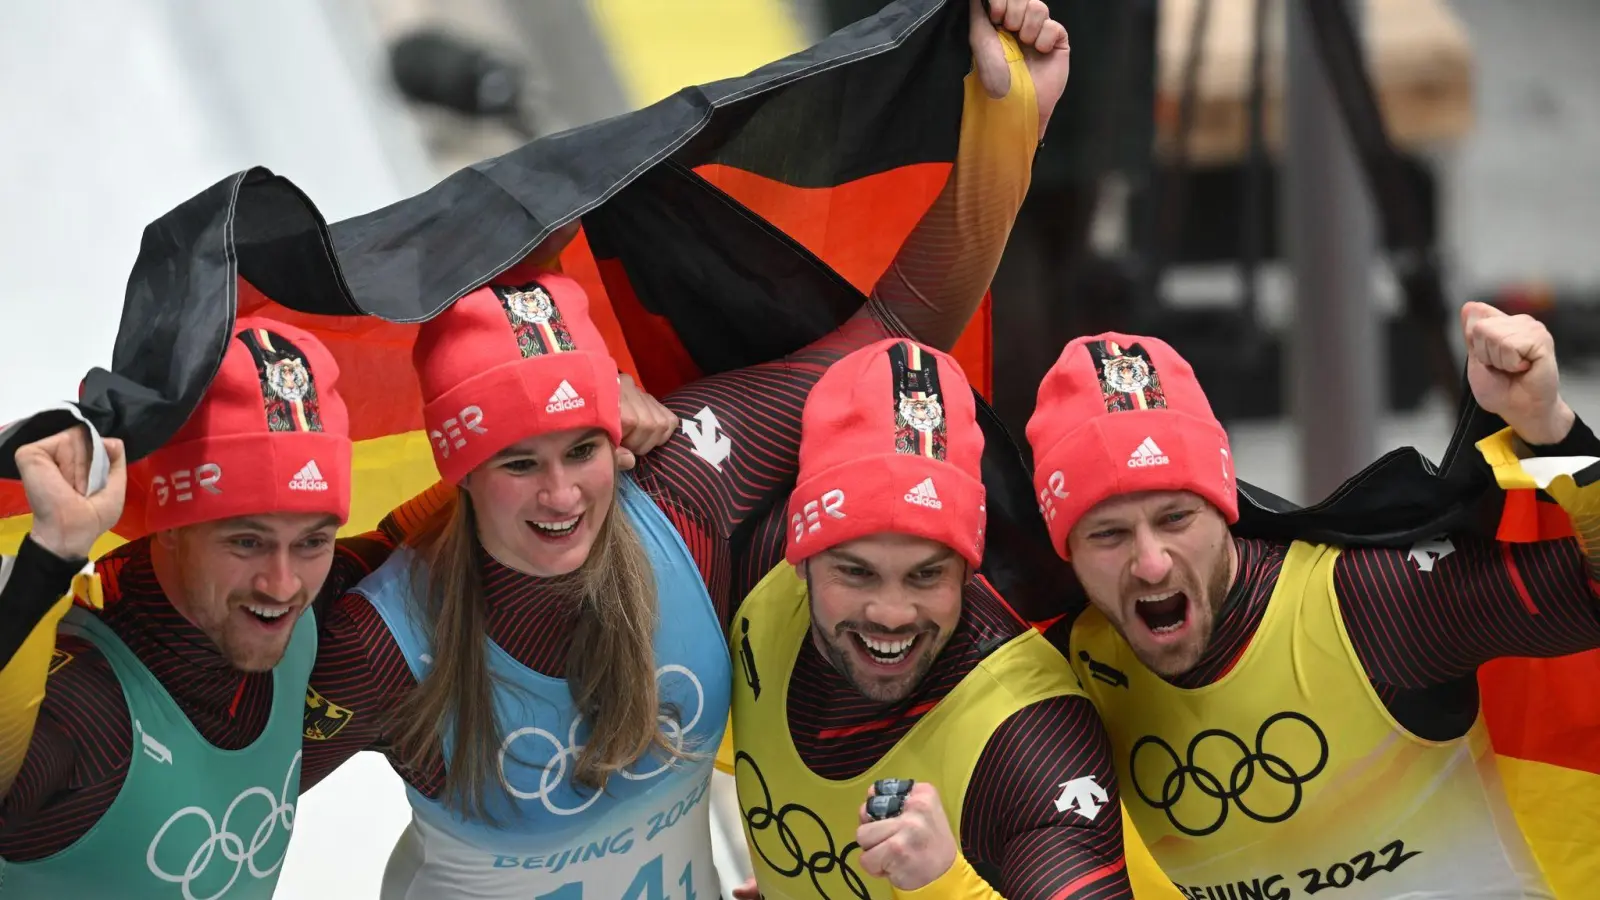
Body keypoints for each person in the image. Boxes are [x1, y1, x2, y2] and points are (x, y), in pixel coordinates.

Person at [294, 4, 1073, 899]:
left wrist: (1014, 122)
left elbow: (894, 332)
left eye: (581, 447)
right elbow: (203, 800)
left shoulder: (685, 484)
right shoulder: (386, 641)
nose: (561, 496)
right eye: (518, 462)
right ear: (460, 470)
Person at [1022, 303, 1600, 900]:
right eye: (1108, 535)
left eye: (1175, 518)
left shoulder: (1371, 607)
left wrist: (1551, 427)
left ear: (1224, 506)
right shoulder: (1066, 672)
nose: (1151, 563)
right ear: (1067, 551)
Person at [727, 336, 1136, 900]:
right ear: (800, 558)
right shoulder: (751, 587)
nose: (891, 614)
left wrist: (942, 885)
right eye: (856, 573)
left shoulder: (1028, 732)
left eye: (926, 576)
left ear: (970, 569)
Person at [0, 318, 362, 899]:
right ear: (169, 528)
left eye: (314, 541)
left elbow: (476, 528)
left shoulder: (311, 624)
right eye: (246, 542)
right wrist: (50, 559)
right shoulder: (88, 710)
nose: (283, 584)